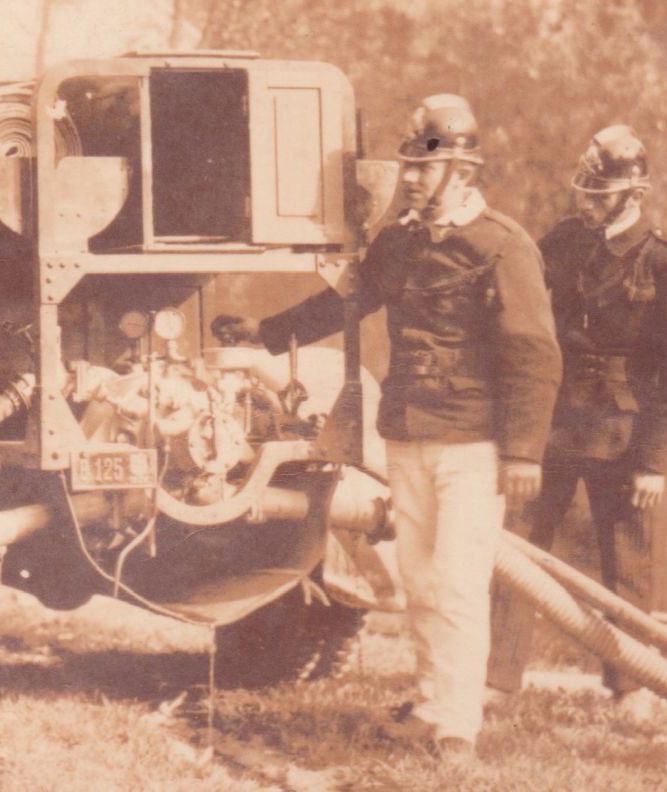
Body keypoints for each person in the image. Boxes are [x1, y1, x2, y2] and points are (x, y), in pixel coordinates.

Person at [213, 94, 561, 761]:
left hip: (475, 443)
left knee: (458, 580)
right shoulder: (398, 241)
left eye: (425, 170)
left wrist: (524, 451)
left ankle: (457, 725)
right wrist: (265, 333)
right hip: (405, 432)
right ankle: (431, 704)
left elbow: (534, 355)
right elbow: (348, 302)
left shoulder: (502, 246)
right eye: (409, 167)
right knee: (421, 580)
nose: (410, 179)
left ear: (463, 172)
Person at [485, 125, 667, 711]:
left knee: (627, 566)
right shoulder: (561, 242)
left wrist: (656, 461)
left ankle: (630, 689)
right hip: (552, 424)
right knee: (516, 551)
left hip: (624, 435)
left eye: (599, 195)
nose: (585, 203)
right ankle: (498, 682)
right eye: (584, 192)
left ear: (633, 195)